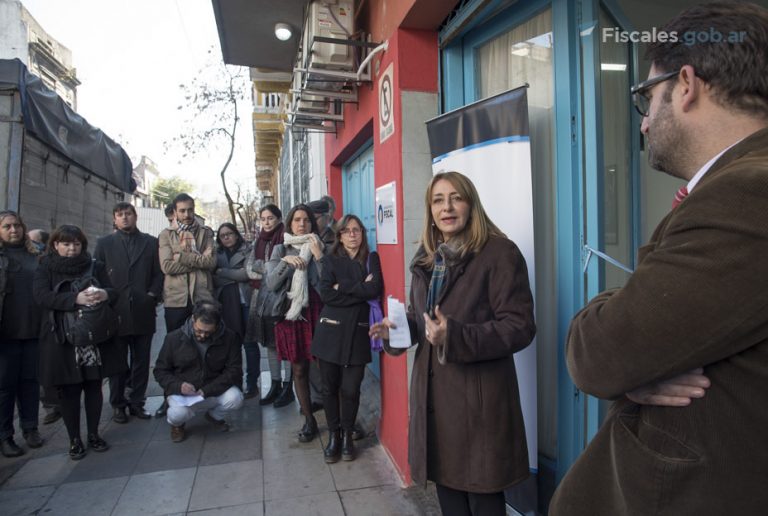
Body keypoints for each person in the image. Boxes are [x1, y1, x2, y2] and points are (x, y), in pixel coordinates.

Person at [549, 3, 768, 515]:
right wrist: (638, 355)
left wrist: (626, 349)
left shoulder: (747, 191)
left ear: (686, 84)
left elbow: (599, 354)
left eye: (647, 99)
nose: (645, 124)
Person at [370, 171, 536, 515]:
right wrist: (398, 331)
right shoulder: (427, 259)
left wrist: (456, 335)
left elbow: (520, 326)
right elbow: (423, 319)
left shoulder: (499, 253)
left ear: (471, 205)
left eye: (456, 198)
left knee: (483, 499)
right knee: (450, 500)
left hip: (478, 405)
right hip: (434, 403)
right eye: (438, 200)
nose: (447, 207)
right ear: (430, 210)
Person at [33, 225, 125, 460]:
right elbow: (42, 297)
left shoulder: (94, 265)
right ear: (55, 245)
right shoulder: (45, 267)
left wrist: (103, 294)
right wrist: (75, 298)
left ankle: (94, 434)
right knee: (69, 391)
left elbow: (113, 292)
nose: (71, 248)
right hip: (62, 339)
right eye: (66, 244)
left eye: (76, 244)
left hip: (93, 338)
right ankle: (74, 439)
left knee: (94, 387)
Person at [312, 214, 382, 463]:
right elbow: (326, 295)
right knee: (329, 388)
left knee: (351, 389)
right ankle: (335, 436)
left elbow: (375, 289)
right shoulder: (331, 261)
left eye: (357, 230)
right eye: (347, 231)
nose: (353, 234)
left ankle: (348, 435)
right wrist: (359, 289)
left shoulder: (371, 259)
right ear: (340, 236)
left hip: (358, 333)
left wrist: (343, 288)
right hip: (330, 332)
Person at [94, 202, 163, 424]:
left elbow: (158, 273)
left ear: (136, 216)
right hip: (115, 311)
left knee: (141, 360)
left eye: (128, 214)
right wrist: (106, 297)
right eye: (120, 215)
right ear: (114, 219)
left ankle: (137, 402)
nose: (125, 218)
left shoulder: (151, 242)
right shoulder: (104, 244)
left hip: (143, 309)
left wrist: (151, 295)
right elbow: (96, 274)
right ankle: (117, 404)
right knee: (117, 362)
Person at [265, 204, 325, 442]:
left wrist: (318, 256)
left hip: (317, 312)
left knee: (324, 367)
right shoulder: (280, 248)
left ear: (312, 224)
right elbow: (271, 284)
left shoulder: (320, 245)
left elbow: (327, 279)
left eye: (306, 220)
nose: (302, 224)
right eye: (297, 220)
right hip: (291, 315)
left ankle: (335, 415)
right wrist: (285, 263)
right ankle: (309, 420)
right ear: (290, 224)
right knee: (299, 368)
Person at [157, 193, 215, 418]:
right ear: (174, 212)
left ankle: (208, 396)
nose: (187, 215)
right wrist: (196, 262)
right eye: (182, 211)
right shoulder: (166, 235)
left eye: (190, 210)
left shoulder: (205, 232)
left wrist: (181, 257)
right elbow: (166, 267)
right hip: (176, 299)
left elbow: (211, 263)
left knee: (207, 346)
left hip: (202, 297)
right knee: (173, 348)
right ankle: (170, 397)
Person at [153, 301, 243, 443]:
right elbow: (160, 371)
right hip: (182, 393)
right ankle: (177, 425)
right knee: (177, 414)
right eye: (198, 330)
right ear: (193, 320)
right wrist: (179, 385)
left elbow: (234, 370)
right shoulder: (174, 338)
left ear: (217, 326)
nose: (202, 335)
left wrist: (207, 390)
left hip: (211, 389)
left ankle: (214, 416)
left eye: (208, 332)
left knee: (235, 398)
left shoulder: (230, 338)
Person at [0, 211, 43, 457]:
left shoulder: (35, 254)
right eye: (7, 226)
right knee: (5, 386)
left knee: (30, 383)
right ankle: (5, 435)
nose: (13, 230)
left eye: (17, 225)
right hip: (6, 333)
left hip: (33, 329)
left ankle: (30, 428)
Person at [245, 205, 292, 404]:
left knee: (287, 343)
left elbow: (283, 270)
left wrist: (265, 269)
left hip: (283, 298)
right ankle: (275, 384)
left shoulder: (286, 239)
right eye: (263, 218)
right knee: (269, 344)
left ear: (279, 218)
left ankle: (289, 386)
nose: (266, 222)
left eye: (270, 217)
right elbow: (249, 269)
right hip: (261, 299)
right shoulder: (259, 241)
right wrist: (269, 269)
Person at [213, 223, 255, 394]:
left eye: (230, 233)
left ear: (237, 234)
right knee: (231, 345)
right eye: (222, 235)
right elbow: (213, 279)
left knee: (250, 344)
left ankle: (252, 384)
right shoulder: (216, 254)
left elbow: (246, 274)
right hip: (225, 304)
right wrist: (234, 274)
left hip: (245, 302)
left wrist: (222, 272)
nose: (226, 237)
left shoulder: (248, 249)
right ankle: (234, 383)